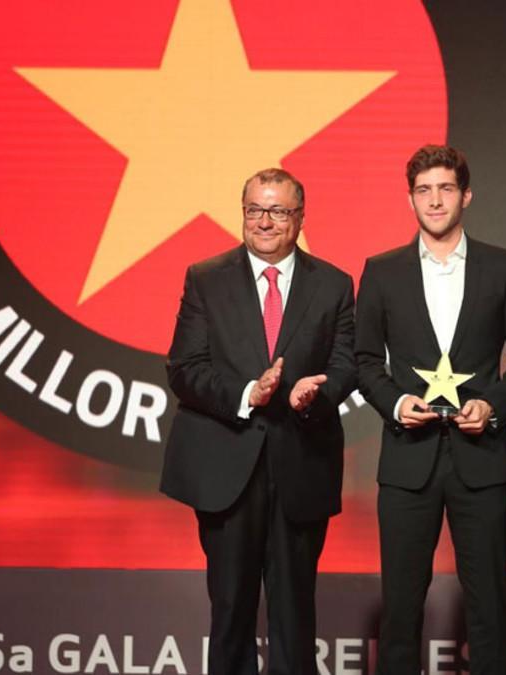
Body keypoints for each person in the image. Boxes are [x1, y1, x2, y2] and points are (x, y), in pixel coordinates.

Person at [355, 144, 506, 675]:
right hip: (406, 463)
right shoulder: (381, 271)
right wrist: (394, 402)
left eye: (444, 189)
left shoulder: (505, 268)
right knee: (400, 607)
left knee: (488, 605)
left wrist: (493, 405)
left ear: (466, 195)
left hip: (481, 460)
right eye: (423, 190)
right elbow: (365, 361)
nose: (434, 201)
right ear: (410, 198)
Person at [160, 168, 357, 675]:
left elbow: (346, 365)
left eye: (277, 211)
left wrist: (315, 393)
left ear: (300, 217)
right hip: (226, 468)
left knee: (295, 619)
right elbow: (183, 369)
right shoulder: (205, 277)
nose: (264, 221)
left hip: (301, 466)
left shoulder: (334, 284)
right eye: (254, 209)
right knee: (230, 614)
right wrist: (249, 393)